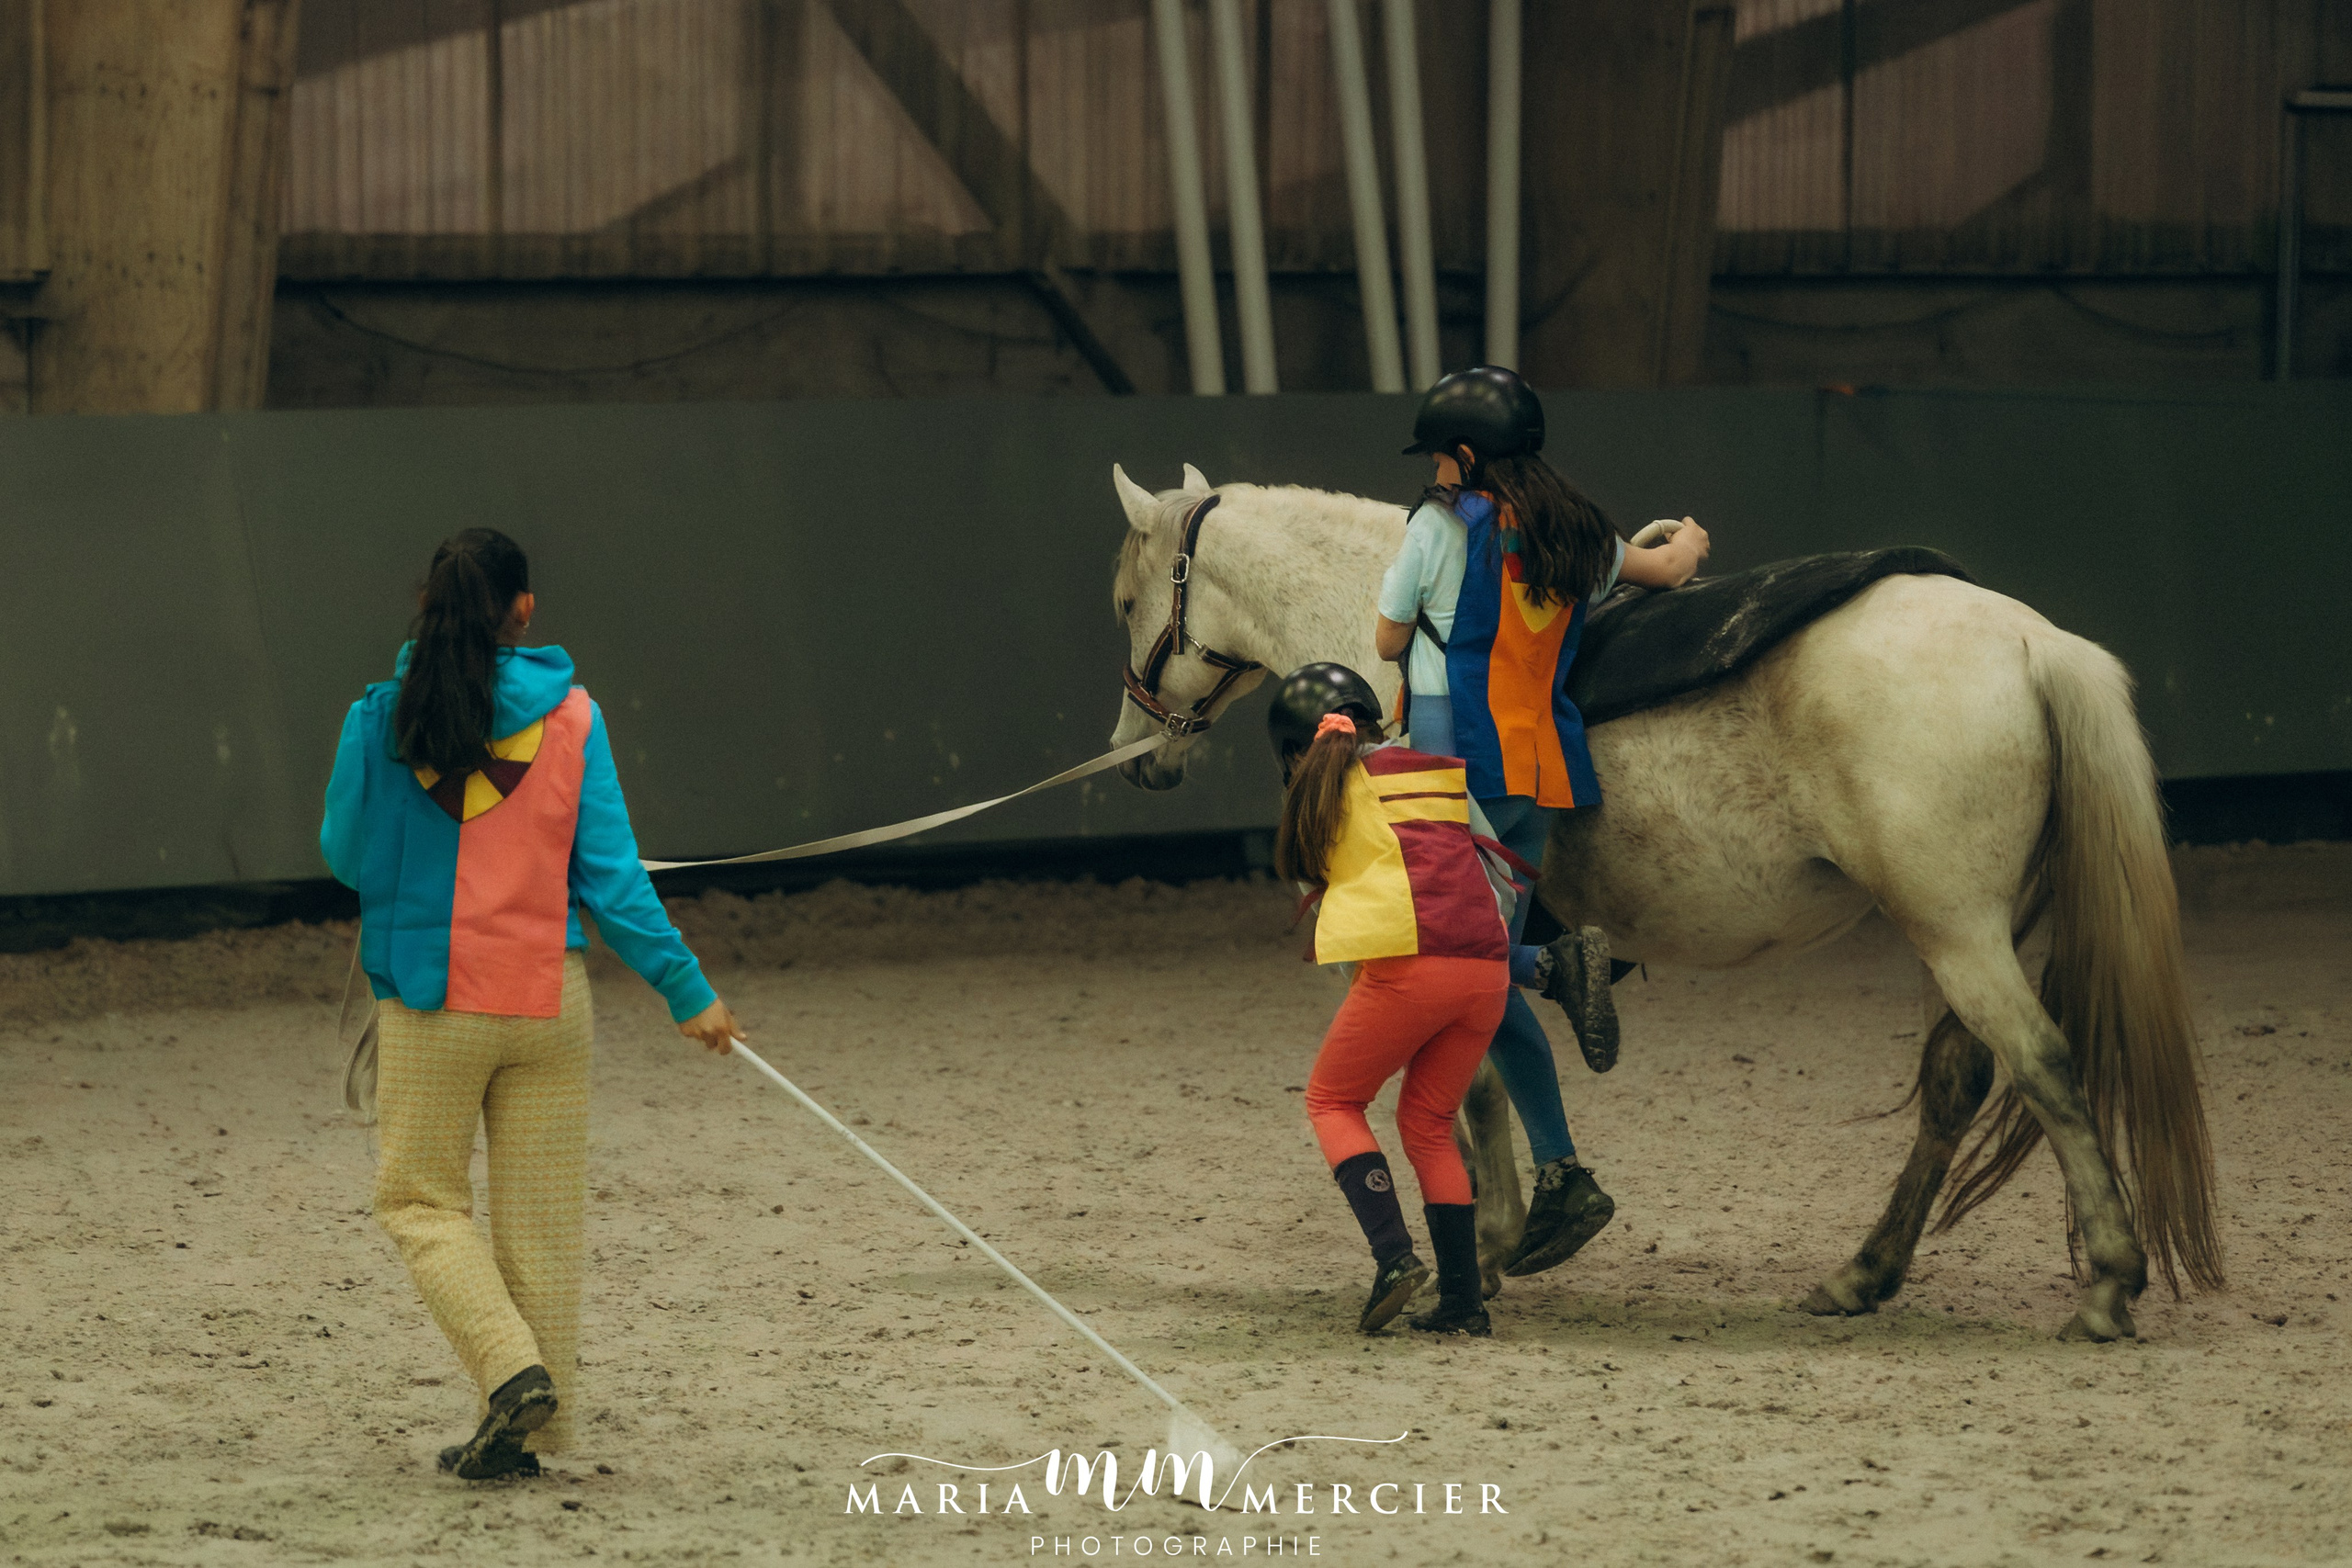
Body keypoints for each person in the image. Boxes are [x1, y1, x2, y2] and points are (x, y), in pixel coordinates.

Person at [321, 528, 744, 1481]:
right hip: (548, 1003)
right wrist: (689, 992)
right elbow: (613, 883)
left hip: (433, 1008)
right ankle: (532, 1436)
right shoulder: (577, 720)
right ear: (522, 611)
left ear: (429, 606)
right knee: (541, 1220)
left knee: (420, 1199)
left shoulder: (375, 719)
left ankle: (510, 1374)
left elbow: (344, 858)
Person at [1373, 366, 1710, 1280]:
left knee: (1471, 970)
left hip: (1452, 777)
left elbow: (1386, 640)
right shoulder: (1577, 533)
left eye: (1441, 453)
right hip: (1534, 776)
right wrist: (1690, 537)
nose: (1435, 468)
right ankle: (1561, 1169)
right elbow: (1670, 569)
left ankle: (1557, 975)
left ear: (1467, 455)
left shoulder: (1435, 528)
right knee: (1479, 976)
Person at [1272, 662, 1527, 1337]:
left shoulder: (1324, 789)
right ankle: (1463, 1302)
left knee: (1332, 1100)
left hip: (1412, 967)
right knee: (1427, 1121)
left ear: (1297, 751)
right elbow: (1497, 873)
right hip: (1487, 970)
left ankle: (1394, 1257)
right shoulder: (1435, 771)